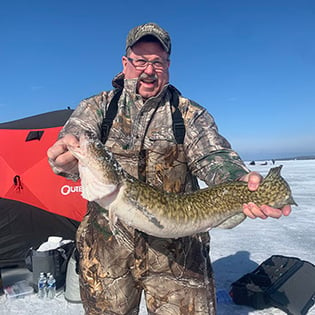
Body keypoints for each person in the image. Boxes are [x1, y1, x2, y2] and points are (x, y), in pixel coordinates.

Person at [47, 22, 291, 315]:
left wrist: (238, 178)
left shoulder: (189, 114)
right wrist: (66, 155)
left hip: (180, 258)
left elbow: (213, 155)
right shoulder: (97, 107)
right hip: (106, 255)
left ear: (168, 65)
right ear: (126, 64)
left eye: (157, 62)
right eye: (140, 61)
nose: (148, 70)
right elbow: (75, 138)